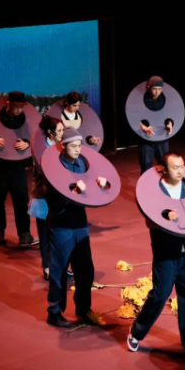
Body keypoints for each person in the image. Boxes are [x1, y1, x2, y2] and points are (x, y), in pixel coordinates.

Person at [128, 153, 185, 350]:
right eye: (175, 168)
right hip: (166, 253)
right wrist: (165, 218)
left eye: (182, 166)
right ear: (163, 170)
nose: (180, 171)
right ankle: (136, 332)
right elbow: (150, 220)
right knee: (160, 295)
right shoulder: (156, 190)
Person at [45, 128, 109, 327]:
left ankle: (83, 309)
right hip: (61, 224)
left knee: (85, 269)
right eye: (73, 146)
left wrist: (100, 184)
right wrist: (73, 192)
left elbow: (91, 185)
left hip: (80, 222)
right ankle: (54, 312)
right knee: (59, 270)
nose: (77, 149)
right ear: (63, 146)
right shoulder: (54, 166)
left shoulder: (82, 162)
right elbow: (53, 198)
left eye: (79, 145)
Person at [0, 91, 38, 246]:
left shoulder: (23, 119)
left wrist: (27, 144)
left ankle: (24, 234)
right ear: (8, 104)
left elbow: (33, 136)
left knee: (21, 199)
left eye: (21, 107)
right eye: (16, 106)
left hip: (17, 166)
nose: (18, 110)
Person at [30, 116, 64, 280]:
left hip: (59, 195)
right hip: (43, 195)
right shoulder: (40, 148)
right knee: (45, 232)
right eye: (60, 130)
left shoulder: (61, 146)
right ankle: (47, 266)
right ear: (51, 133)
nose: (62, 133)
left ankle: (61, 265)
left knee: (60, 232)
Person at [137, 76, 173, 174]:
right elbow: (134, 116)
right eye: (154, 89)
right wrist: (142, 126)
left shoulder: (164, 99)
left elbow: (170, 114)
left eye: (160, 89)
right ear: (149, 87)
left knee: (164, 167)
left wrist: (170, 123)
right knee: (145, 168)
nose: (157, 92)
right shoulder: (142, 99)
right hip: (146, 138)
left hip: (161, 137)